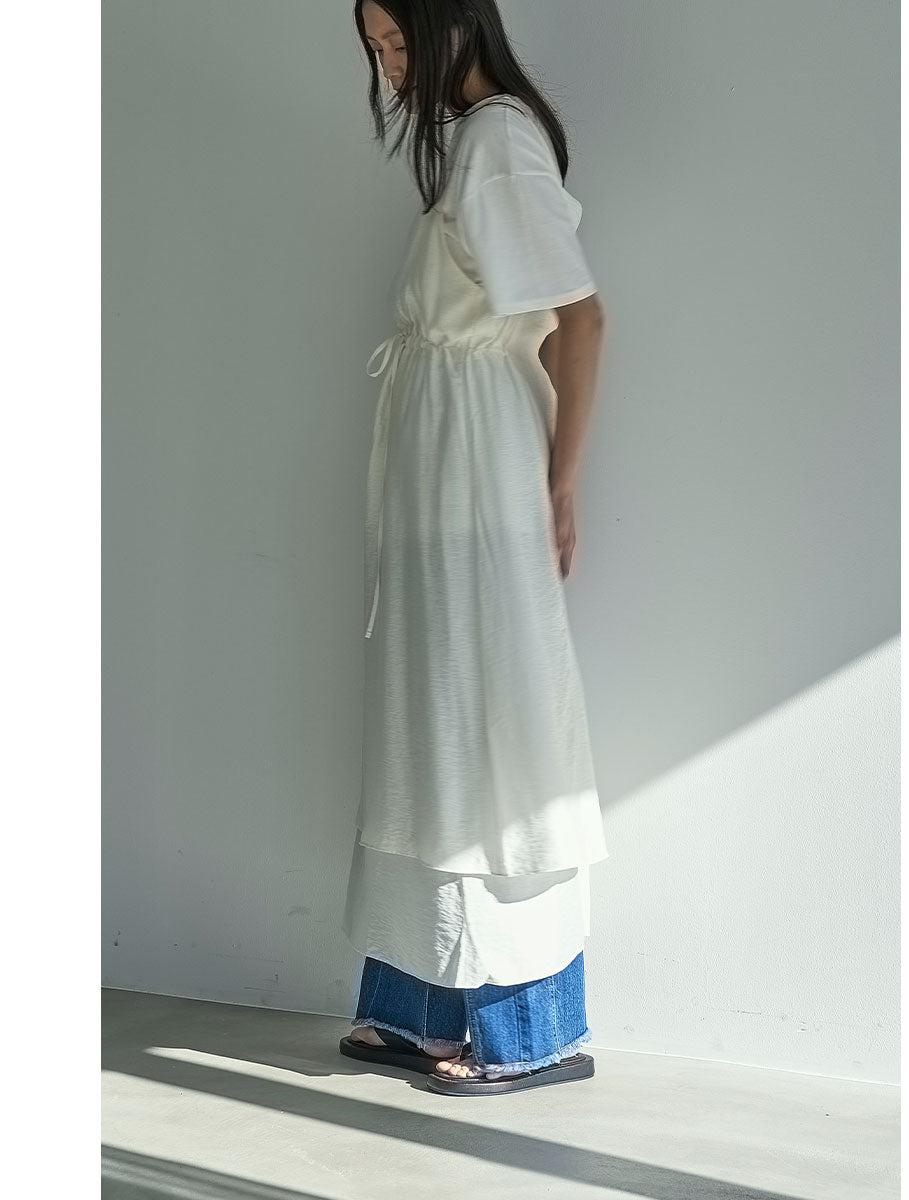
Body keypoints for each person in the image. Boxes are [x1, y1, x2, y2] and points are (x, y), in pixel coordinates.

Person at [340, 0, 609, 1096]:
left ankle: (524, 1026)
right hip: (440, 459)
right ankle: (417, 1008)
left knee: (490, 728)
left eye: (400, 41)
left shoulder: (497, 141)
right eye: (375, 48)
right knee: (434, 720)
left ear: (454, 22)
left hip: (478, 465)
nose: (389, 66)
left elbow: (583, 318)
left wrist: (560, 483)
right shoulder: (473, 142)